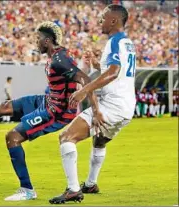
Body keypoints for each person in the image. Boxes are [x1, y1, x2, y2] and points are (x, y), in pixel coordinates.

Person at [0, 21, 100, 201]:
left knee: (12, 137)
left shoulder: (60, 60)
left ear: (47, 40)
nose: (35, 42)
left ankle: (27, 189)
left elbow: (84, 79)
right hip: (46, 101)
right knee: (3, 107)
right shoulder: (57, 56)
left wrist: (95, 110)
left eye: (38, 39)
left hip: (56, 112)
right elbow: (76, 77)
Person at [49, 4, 136, 204]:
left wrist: (84, 90)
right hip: (126, 107)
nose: (100, 21)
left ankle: (72, 190)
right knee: (100, 141)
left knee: (66, 137)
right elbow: (117, 70)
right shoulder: (127, 43)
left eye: (104, 17)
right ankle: (90, 183)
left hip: (112, 104)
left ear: (113, 20)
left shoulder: (115, 42)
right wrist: (98, 65)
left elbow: (113, 73)